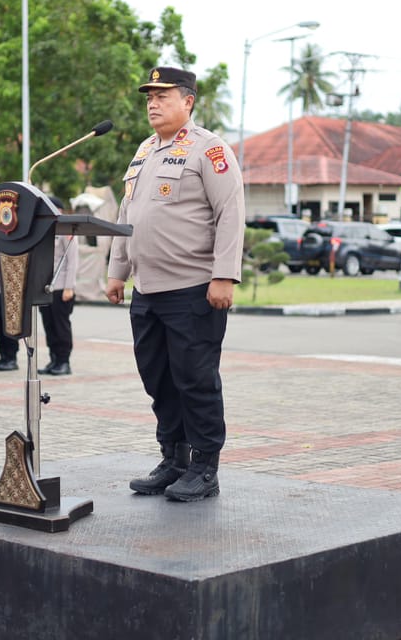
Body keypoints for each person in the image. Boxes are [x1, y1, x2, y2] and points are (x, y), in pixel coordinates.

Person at [106, 66, 245, 502]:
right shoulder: (145, 151)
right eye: (149, 96)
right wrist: (117, 271)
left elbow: (230, 212)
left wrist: (224, 275)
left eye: (162, 96)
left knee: (194, 378)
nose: (152, 103)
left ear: (188, 101)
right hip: (146, 290)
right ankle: (174, 458)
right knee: (158, 378)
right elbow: (127, 216)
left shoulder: (210, 149)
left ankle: (205, 467)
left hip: (192, 288)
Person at [40, 195, 78, 376]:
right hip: (46, 287)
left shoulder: (66, 229)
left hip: (62, 287)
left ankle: (64, 361)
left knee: (61, 326)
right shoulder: (45, 230)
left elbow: (72, 261)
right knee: (49, 325)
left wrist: (69, 287)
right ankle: (53, 359)